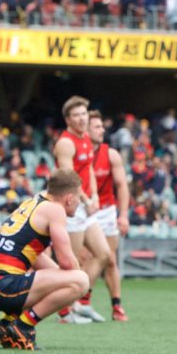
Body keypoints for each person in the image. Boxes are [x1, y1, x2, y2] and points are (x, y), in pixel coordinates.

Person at [0, 170, 90, 350]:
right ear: (70, 198)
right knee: (81, 281)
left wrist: (62, 280)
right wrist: (75, 284)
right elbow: (67, 263)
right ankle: (22, 326)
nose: (80, 203)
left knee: (70, 279)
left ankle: (7, 323)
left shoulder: (35, 201)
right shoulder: (55, 210)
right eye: (80, 198)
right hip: (3, 286)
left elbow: (35, 257)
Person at [52, 96, 112, 323]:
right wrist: (87, 201)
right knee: (71, 262)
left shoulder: (86, 137)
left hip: (85, 205)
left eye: (84, 113)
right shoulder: (66, 143)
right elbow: (69, 179)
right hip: (71, 206)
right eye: (76, 115)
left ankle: (81, 302)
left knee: (103, 254)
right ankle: (64, 311)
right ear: (68, 120)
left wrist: (94, 196)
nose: (82, 118)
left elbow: (88, 171)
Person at [88, 111, 131, 322]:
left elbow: (122, 185)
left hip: (106, 211)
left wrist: (123, 215)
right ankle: (80, 303)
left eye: (102, 126)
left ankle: (117, 306)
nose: (102, 130)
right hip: (84, 210)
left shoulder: (111, 154)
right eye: (97, 127)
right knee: (84, 258)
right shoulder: (76, 153)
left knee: (110, 259)